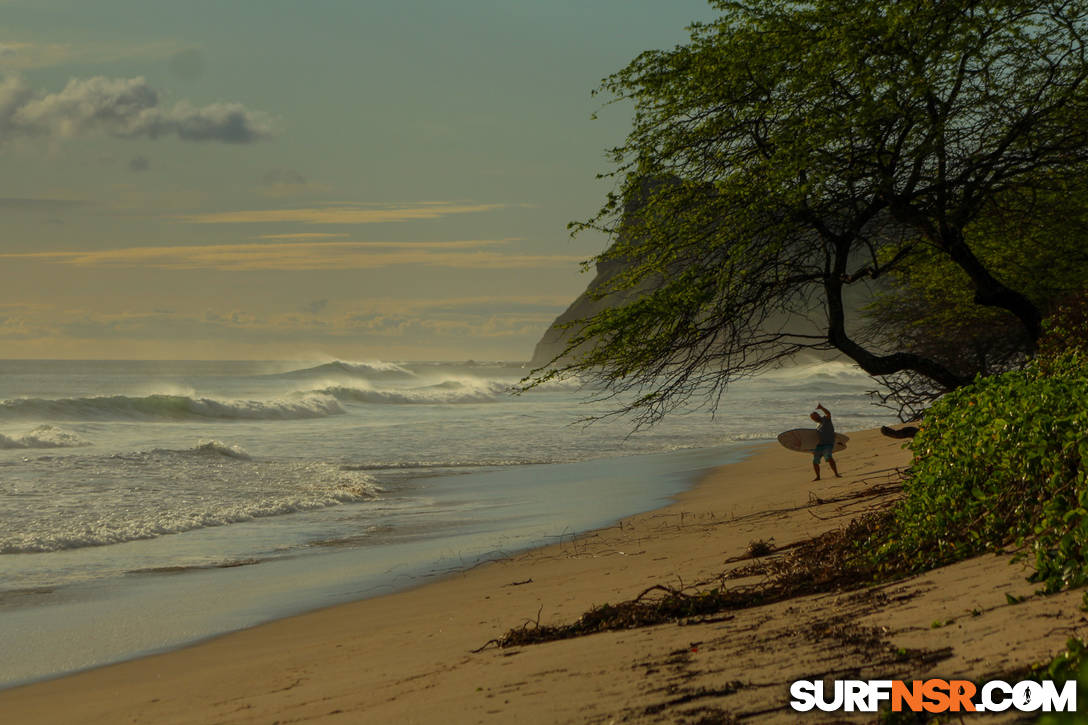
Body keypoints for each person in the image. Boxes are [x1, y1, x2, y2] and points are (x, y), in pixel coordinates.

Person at [810, 403, 841, 481]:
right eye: (813, 418)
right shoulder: (817, 426)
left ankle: (836, 473)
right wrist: (812, 449)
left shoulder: (826, 419)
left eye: (815, 416)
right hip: (819, 445)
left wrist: (821, 407)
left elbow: (828, 413)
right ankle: (818, 477)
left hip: (828, 444)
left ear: (818, 415)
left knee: (829, 458)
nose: (814, 418)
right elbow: (815, 438)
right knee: (815, 461)